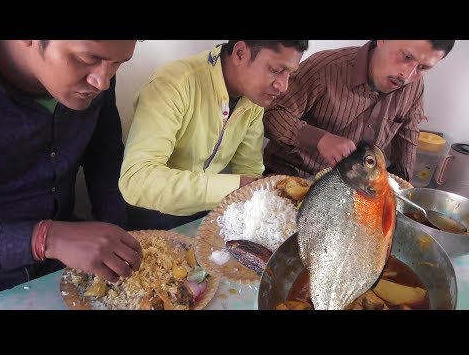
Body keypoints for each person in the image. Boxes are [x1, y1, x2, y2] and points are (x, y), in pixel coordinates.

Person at [0, 40, 143, 295]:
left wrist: (118, 236)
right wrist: (46, 238)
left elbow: (104, 155)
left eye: (117, 64)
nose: (102, 82)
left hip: (64, 267)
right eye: (85, 60)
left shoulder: (96, 77)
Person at [119, 40, 309, 230]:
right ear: (240, 53)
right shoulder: (174, 83)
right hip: (154, 213)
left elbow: (249, 168)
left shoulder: (252, 97)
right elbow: (137, 181)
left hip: (208, 210)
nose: (283, 86)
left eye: (289, 74)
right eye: (276, 70)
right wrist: (236, 186)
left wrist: (248, 189)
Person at [263, 40, 455, 181]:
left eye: (422, 68)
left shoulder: (414, 87)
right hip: (293, 178)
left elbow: (407, 139)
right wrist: (320, 139)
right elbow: (272, 115)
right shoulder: (326, 68)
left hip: (355, 188)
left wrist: (401, 190)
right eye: (406, 57)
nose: (407, 75)